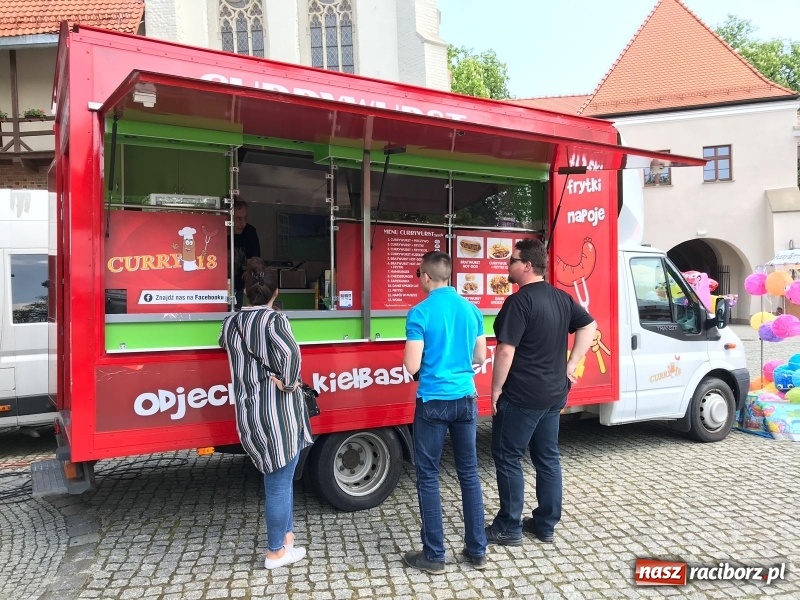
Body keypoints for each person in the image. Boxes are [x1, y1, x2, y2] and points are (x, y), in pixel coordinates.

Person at [486, 239, 597, 546]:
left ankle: (509, 526)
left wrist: (495, 390)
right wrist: (571, 365)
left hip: (522, 396)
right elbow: (589, 325)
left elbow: (506, 352)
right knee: (547, 458)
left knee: (508, 456)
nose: (508, 264)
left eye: (512, 260)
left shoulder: (519, 302)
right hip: (553, 394)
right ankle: (546, 524)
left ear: (527, 266)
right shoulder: (562, 298)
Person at [219, 258, 313, 569]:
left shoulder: (231, 323)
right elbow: (290, 354)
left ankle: (287, 540)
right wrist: (288, 383)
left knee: (280, 479)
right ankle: (275, 552)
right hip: (277, 415)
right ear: (275, 292)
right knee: (278, 482)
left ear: (245, 291)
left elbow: (224, 345)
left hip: (249, 412)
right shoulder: (275, 321)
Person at [402, 251, 488, 574]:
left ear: (426, 277)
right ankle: (477, 550)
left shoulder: (419, 313)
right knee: (469, 473)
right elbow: (480, 356)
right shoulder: (472, 310)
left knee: (428, 474)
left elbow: (412, 364)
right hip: (466, 398)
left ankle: (435, 556)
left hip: (433, 402)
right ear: (448, 276)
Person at [232, 200, 261, 309]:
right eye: (239, 218)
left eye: (245, 218)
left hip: (239, 288)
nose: (243, 224)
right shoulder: (217, 231)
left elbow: (255, 262)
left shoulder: (250, 232)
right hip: (216, 288)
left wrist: (253, 287)